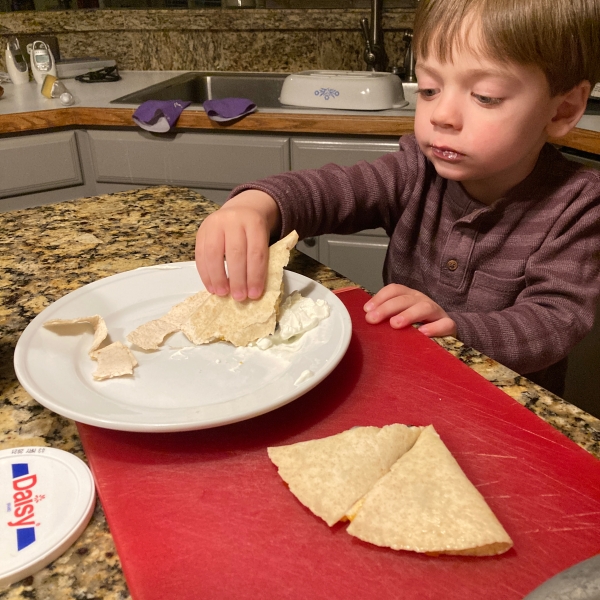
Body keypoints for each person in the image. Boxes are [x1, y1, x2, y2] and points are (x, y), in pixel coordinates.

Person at [195, 0, 600, 396]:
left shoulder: (577, 205)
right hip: (412, 379)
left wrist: (457, 329)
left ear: (562, 110)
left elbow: (554, 321)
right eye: (429, 89)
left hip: (508, 406)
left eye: (486, 96)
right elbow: (332, 192)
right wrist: (256, 206)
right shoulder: (415, 172)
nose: (442, 115)